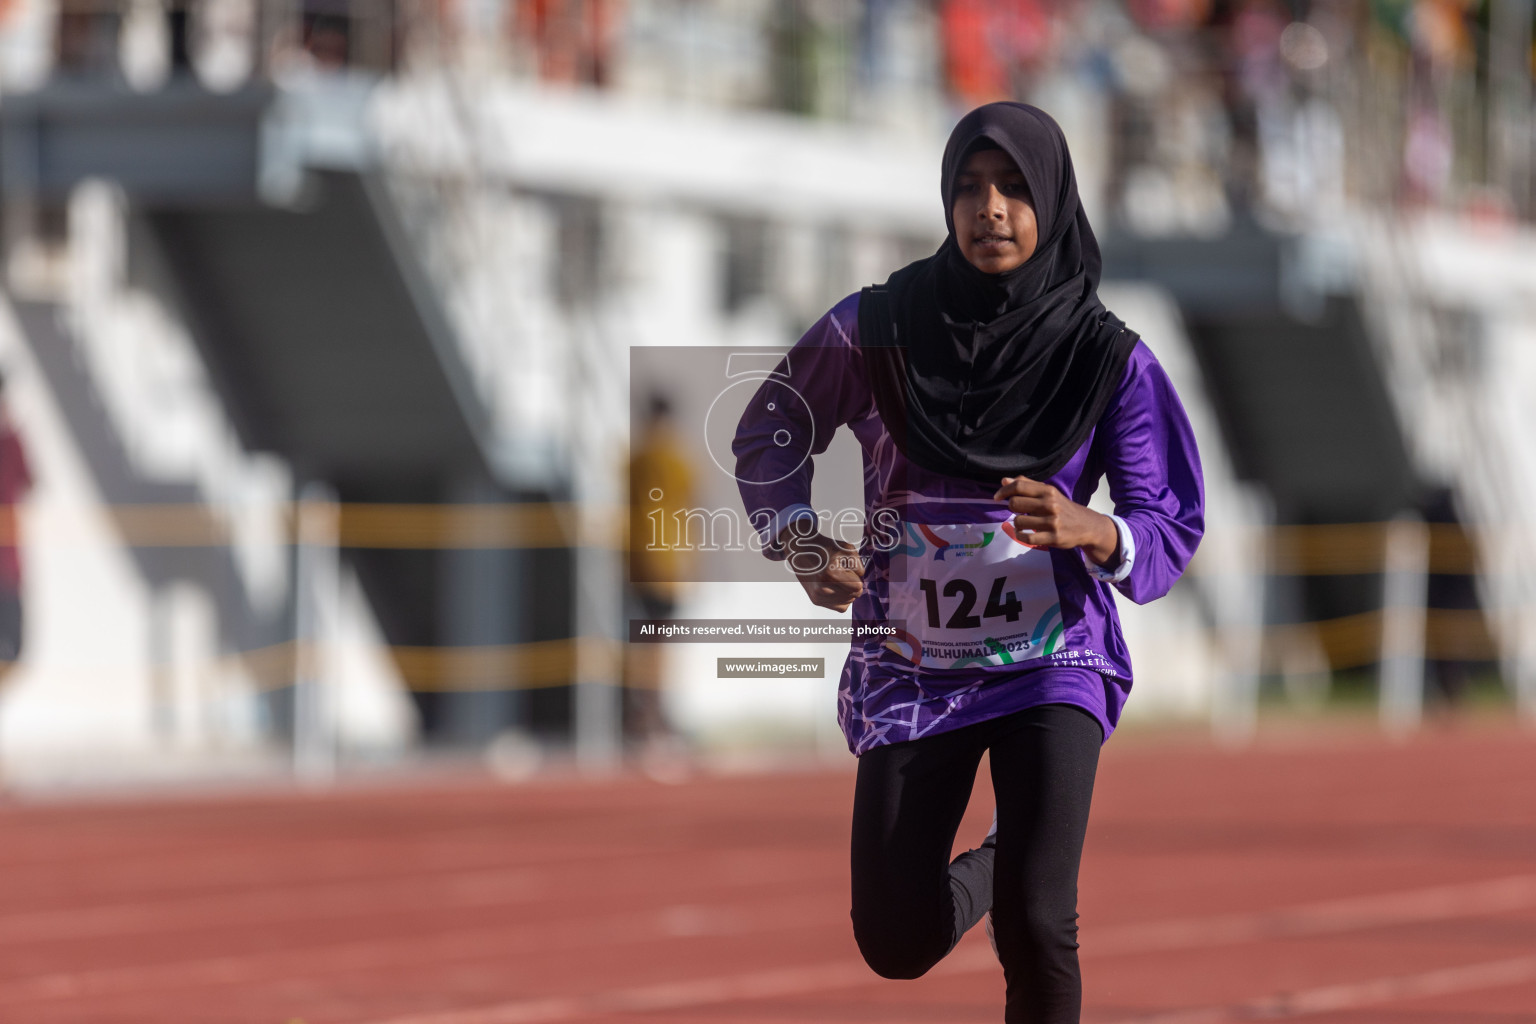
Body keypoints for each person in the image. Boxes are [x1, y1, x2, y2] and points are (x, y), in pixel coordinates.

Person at [731, 102, 1203, 1023]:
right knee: (895, 941)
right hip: (912, 667)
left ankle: (1027, 861)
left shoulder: (1109, 358)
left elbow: (1168, 518)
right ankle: (1008, 848)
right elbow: (769, 428)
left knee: (1036, 921)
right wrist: (797, 539)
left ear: (1056, 203)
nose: (990, 209)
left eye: (1017, 189)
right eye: (970, 188)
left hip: (1050, 664)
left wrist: (1092, 530)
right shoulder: (877, 327)